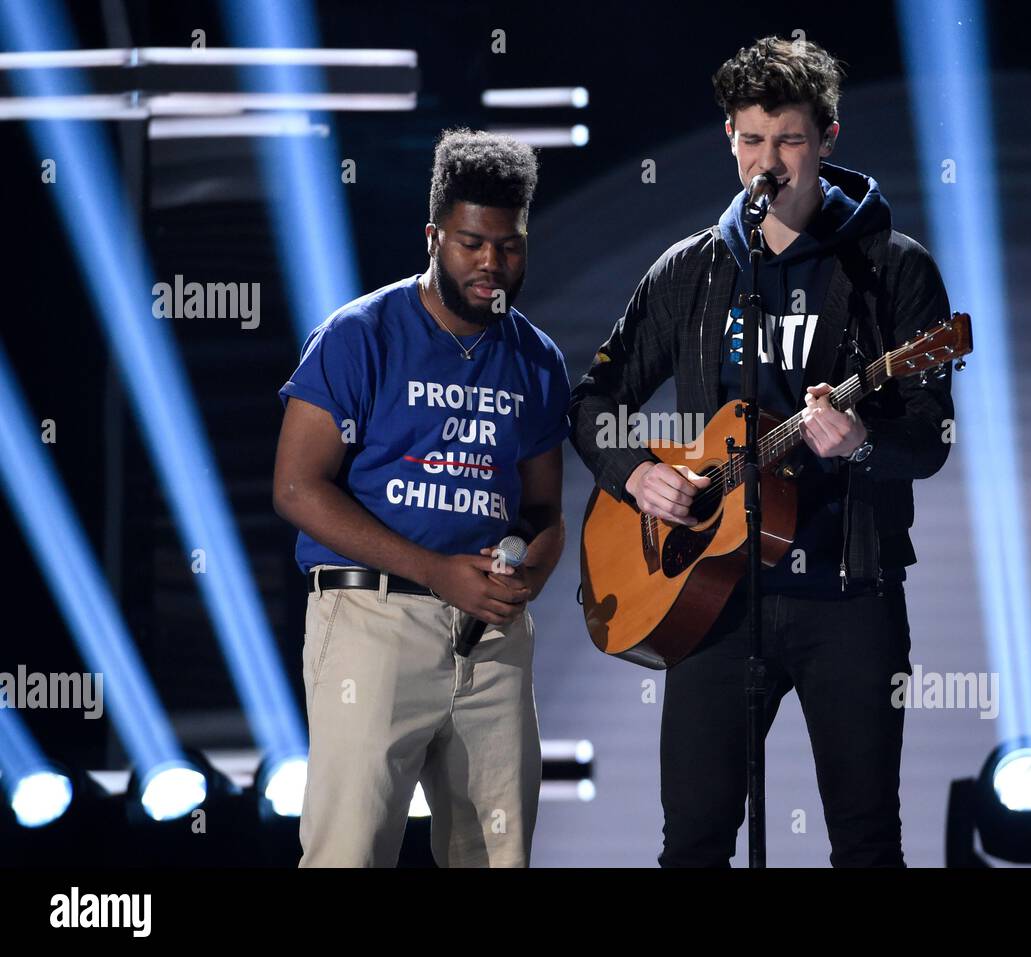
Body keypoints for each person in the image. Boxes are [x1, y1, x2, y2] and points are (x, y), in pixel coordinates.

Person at [569, 37, 955, 867]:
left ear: (827, 138)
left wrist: (861, 445)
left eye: (787, 139)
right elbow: (592, 403)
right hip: (713, 599)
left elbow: (929, 439)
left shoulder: (892, 269)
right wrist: (636, 473)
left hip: (848, 594)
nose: (767, 161)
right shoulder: (693, 272)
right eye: (750, 139)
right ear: (729, 141)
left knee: (864, 839)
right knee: (696, 841)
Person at [273, 129, 569, 867]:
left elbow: (545, 513)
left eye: (509, 246)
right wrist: (436, 571)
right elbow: (295, 487)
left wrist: (530, 570)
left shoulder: (535, 359)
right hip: (373, 621)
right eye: (472, 243)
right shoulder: (357, 335)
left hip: (493, 639)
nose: (492, 264)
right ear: (433, 235)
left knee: (496, 856)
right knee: (349, 853)